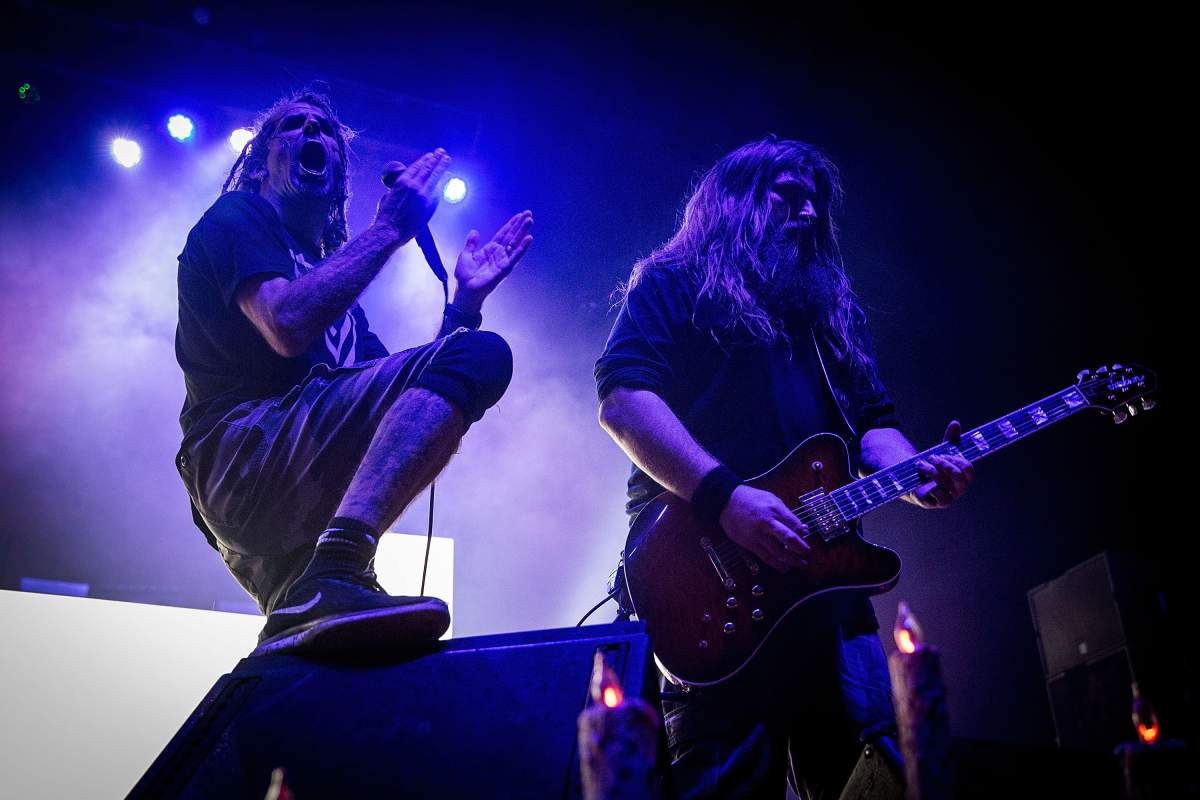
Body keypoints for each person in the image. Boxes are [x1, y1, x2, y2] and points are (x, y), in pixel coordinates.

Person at [594, 136, 973, 798]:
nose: (806, 214)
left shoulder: (827, 317)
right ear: (734, 200)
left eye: (815, 202)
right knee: (727, 777)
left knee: (872, 773)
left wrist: (918, 473)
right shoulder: (672, 283)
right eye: (788, 196)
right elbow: (625, 402)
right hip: (705, 577)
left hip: (827, 594)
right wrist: (727, 499)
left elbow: (873, 427)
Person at [174, 89, 533, 655]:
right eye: (294, 126)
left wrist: (463, 306)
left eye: (326, 131)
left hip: (287, 500)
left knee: (344, 661)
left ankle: (320, 592)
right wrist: (390, 230)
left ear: (341, 173)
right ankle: (341, 559)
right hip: (241, 456)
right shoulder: (237, 217)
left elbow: (408, 408)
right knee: (483, 354)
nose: (313, 133)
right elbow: (285, 323)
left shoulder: (339, 300)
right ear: (264, 157)